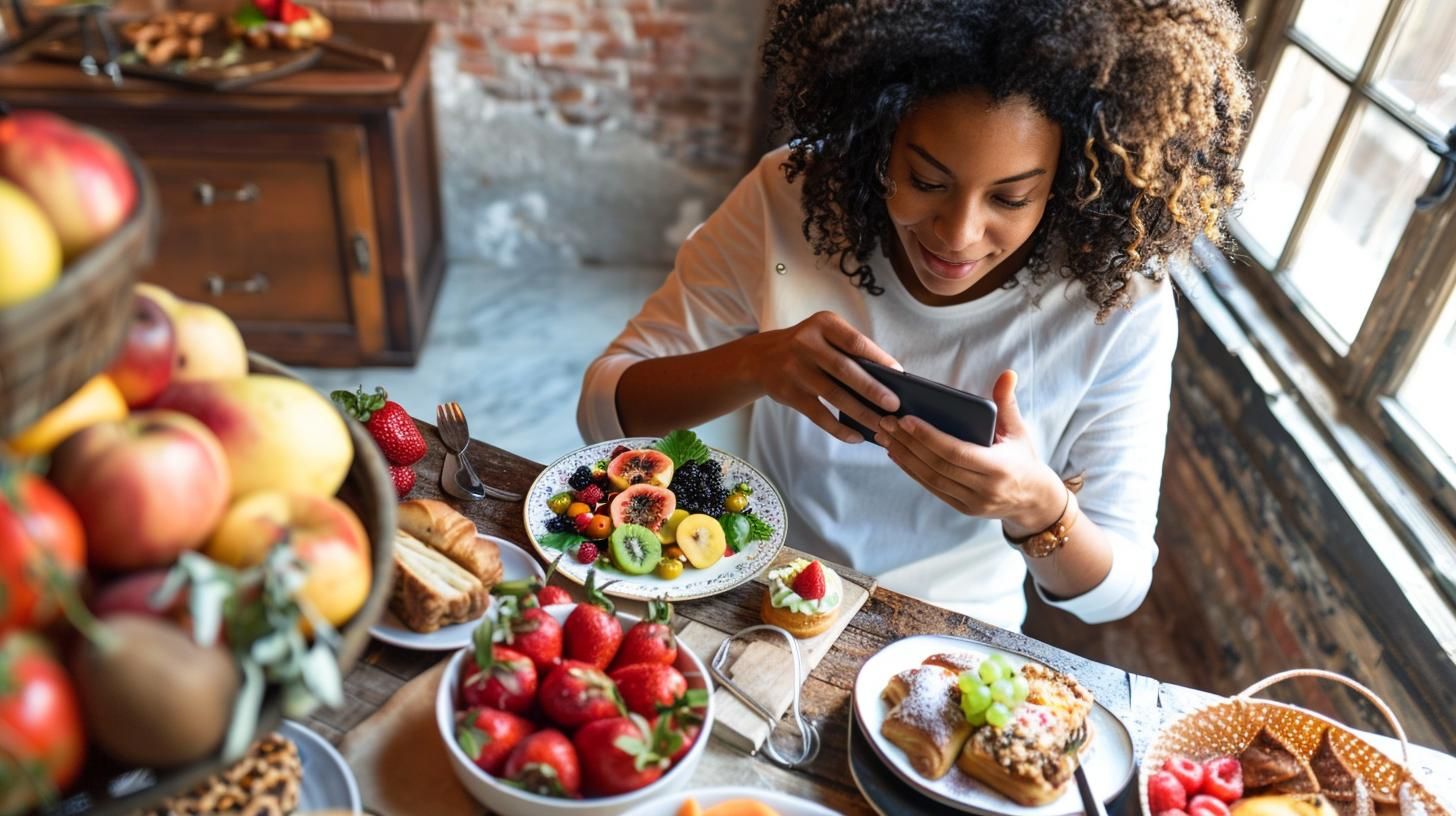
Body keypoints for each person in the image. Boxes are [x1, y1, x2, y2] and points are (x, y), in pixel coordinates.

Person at [577, 0, 1252, 630]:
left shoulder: (1118, 299)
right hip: (765, 588)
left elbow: (1116, 590)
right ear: (879, 136)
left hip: (959, 635)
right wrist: (759, 363)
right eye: (926, 180)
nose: (957, 234)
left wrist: (1035, 507)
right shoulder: (790, 200)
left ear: (1069, 180)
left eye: (1011, 199)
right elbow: (605, 408)